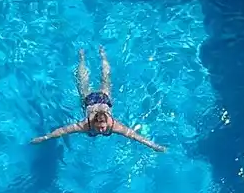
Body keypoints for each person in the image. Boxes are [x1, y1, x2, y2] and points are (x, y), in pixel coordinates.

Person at [31, 47, 165, 152]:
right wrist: (45, 138)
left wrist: (153, 145)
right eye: (99, 127)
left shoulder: (113, 125)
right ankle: (83, 58)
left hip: (102, 100)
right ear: (94, 123)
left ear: (106, 122)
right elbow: (63, 130)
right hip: (92, 100)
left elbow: (134, 136)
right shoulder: (86, 125)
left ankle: (100, 55)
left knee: (101, 79)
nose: (101, 130)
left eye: (102, 127)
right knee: (91, 80)